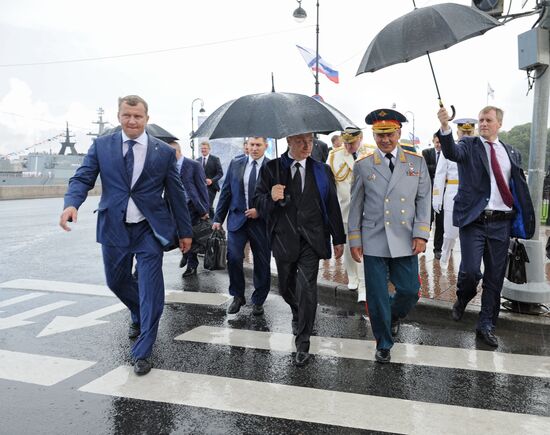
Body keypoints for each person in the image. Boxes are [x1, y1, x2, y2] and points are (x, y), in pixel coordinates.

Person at [59, 95, 192, 376]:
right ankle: (138, 311)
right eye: (127, 116)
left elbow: (177, 194)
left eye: (138, 116)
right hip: (114, 226)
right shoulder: (102, 146)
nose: (132, 121)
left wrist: (185, 232)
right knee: (116, 281)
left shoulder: (163, 152)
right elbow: (83, 178)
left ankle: (144, 349)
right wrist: (71, 203)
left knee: (150, 288)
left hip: (148, 229)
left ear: (147, 118)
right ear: (118, 116)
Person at [437, 105, 534, 348]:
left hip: (501, 223)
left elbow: (517, 186)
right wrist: (445, 127)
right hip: (474, 222)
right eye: (481, 120)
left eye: (488, 120)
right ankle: (462, 297)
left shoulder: (511, 152)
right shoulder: (469, 146)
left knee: (494, 278)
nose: (483, 124)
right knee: (471, 271)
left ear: (499, 124)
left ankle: (486, 325)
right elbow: (450, 152)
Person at [348, 108, 431, 364]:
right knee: (376, 295)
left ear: (399, 132)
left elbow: (423, 200)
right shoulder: (363, 166)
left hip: (405, 237)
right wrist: (354, 239)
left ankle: (393, 315)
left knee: (410, 290)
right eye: (379, 135)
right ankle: (383, 342)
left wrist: (422, 234)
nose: (385, 140)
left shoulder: (416, 163)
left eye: (389, 134)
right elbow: (356, 205)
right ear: (374, 135)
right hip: (373, 237)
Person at [255, 132, 345, 366]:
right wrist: (271, 198)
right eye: (300, 141)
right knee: (286, 288)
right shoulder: (272, 168)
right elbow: (257, 202)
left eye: (310, 141)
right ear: (288, 142)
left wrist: (338, 238)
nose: (306, 146)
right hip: (283, 239)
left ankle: (303, 342)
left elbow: (332, 204)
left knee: (307, 289)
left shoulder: (321, 170)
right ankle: (298, 310)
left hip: (311, 240)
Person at [213, 137, 271, 315]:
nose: (254, 148)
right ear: (247, 146)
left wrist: (259, 211)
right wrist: (218, 218)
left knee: (262, 262)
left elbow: (277, 197)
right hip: (237, 219)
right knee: (235, 258)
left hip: (261, 223)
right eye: (251, 144)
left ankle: (258, 300)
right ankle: (238, 295)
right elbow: (226, 191)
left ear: (265, 146)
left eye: (258, 145)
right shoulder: (236, 163)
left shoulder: (273, 167)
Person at [328, 127, 369, 302]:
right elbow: (331, 186)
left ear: (360, 138)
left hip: (367, 210)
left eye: (351, 142)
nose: (348, 146)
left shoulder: (371, 153)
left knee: (364, 248)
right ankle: (352, 277)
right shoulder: (334, 156)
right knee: (347, 246)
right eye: (345, 142)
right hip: (344, 209)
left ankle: (364, 285)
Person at [432, 119, 477, 268]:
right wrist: (437, 198)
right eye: (463, 132)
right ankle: (445, 255)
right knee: (450, 233)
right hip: (453, 193)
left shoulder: (479, 150)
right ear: (457, 132)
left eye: (469, 132)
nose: (466, 134)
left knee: (471, 235)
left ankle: (468, 264)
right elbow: (439, 175)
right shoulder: (448, 150)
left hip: (473, 197)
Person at [168, 141, 210, 278]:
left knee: (190, 235)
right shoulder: (167, 166)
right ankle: (185, 254)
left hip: (191, 207)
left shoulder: (193, 165)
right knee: (177, 234)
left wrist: (204, 210)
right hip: (174, 207)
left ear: (176, 152)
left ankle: (192, 265)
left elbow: (202, 188)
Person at [422, 134, 444, 259]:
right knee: (427, 219)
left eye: (441, 142)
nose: (439, 144)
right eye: (437, 142)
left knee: (441, 223)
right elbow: (424, 168)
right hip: (429, 192)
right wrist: (441, 170)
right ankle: (423, 242)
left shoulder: (447, 154)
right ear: (433, 141)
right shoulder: (426, 152)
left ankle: (438, 249)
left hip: (442, 194)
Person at [197, 141, 223, 218]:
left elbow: (220, 173)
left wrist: (212, 180)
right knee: (205, 205)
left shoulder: (215, 159)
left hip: (211, 187)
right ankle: (211, 222)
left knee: (208, 204)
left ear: (209, 149)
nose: (203, 150)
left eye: (205, 148)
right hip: (201, 187)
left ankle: (213, 222)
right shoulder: (197, 161)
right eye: (202, 148)